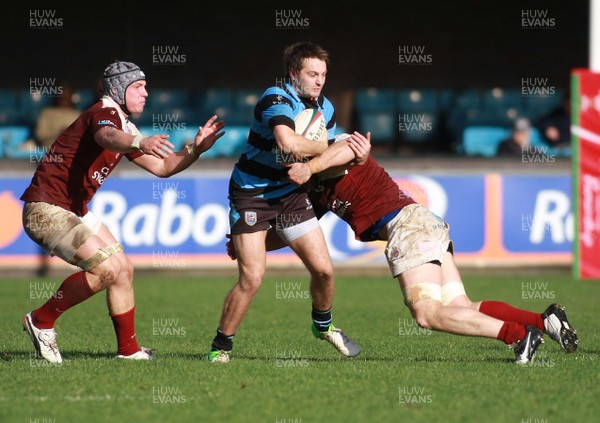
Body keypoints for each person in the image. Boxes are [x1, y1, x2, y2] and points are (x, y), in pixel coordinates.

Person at [235, 131, 578, 364]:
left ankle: (519, 336)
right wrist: (249, 241)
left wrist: (309, 164)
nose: (288, 165)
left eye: (289, 158)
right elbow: (296, 231)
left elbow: (349, 148)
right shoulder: (317, 190)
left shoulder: (335, 152)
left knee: (426, 314)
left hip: (409, 227)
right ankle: (542, 320)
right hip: (423, 222)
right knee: (460, 304)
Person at [21, 60, 225, 364]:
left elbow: (163, 167)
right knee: (105, 270)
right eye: (139, 87)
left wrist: (195, 149)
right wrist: (139, 141)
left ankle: (128, 350)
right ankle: (42, 320)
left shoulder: (124, 125)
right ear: (119, 89)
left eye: (146, 87)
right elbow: (108, 138)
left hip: (74, 209)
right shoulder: (103, 114)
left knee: (123, 271)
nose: (146, 93)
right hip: (46, 208)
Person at [207, 41, 361, 363]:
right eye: (312, 74)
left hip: (290, 196)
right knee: (252, 278)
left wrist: (350, 152)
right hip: (251, 194)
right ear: (293, 74)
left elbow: (332, 159)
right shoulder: (276, 97)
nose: (319, 81)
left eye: (323, 75)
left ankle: (322, 326)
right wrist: (332, 145)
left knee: (324, 271)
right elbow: (287, 142)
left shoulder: (325, 109)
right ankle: (220, 347)